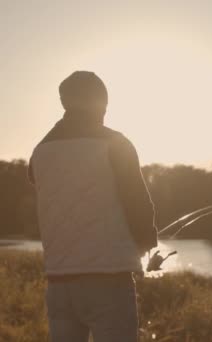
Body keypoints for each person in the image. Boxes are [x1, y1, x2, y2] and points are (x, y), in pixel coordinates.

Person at [28, 71, 157, 342]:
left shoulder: (39, 152)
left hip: (59, 283)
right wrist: (146, 242)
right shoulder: (116, 143)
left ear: (65, 104)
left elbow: (38, 180)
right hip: (109, 279)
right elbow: (138, 203)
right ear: (100, 103)